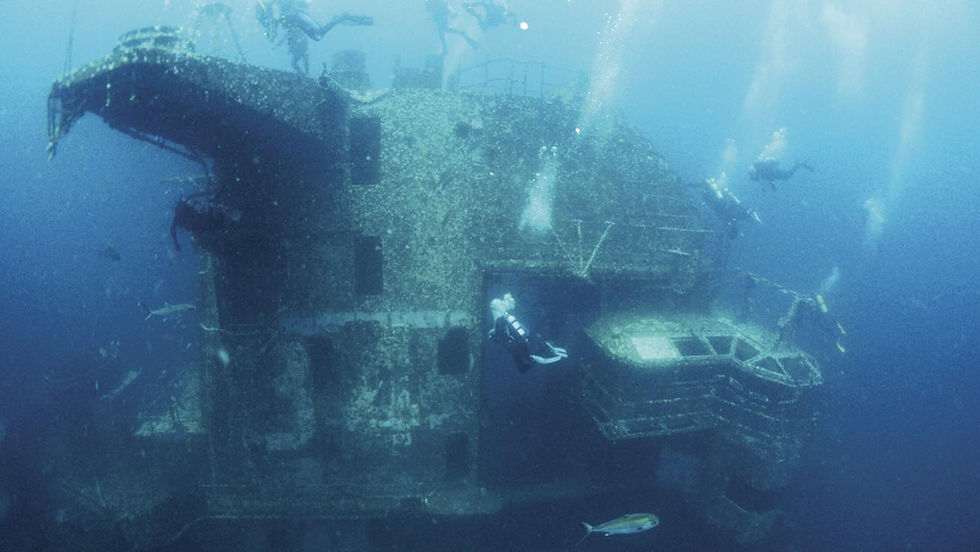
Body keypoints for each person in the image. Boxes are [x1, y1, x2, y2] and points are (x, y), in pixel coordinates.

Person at [255, 0, 374, 74]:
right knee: (318, 36)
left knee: (319, 34)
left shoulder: (275, 5)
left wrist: (271, 34)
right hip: (299, 19)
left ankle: (342, 16)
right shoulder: (277, 6)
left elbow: (275, 20)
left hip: (299, 17)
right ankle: (339, 18)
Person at [488, 293, 567, 373]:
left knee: (525, 367)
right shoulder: (505, 318)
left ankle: (553, 353)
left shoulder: (501, 320)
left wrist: (494, 335)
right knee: (527, 363)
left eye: (493, 309)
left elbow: (503, 334)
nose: (492, 312)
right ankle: (551, 350)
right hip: (523, 341)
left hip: (518, 344)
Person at [170, 196, 242, 252]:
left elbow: (172, 229)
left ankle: (215, 206)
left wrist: (176, 243)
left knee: (212, 224)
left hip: (197, 222)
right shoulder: (180, 215)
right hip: (198, 219)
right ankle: (215, 207)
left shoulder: (177, 217)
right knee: (213, 224)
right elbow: (172, 229)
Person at [748, 158, 813, 191]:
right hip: (776, 171)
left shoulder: (760, 173)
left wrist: (772, 186)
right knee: (787, 175)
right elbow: (769, 178)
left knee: (787, 175)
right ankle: (798, 164)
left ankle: (797, 164)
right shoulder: (761, 171)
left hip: (776, 172)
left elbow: (769, 178)